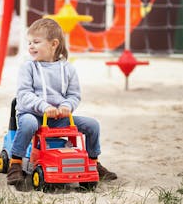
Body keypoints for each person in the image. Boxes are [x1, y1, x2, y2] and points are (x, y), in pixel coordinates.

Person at [7, 18, 117, 186]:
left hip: (59, 118)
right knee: (28, 123)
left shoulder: (67, 69)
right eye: (29, 42)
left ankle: (93, 162)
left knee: (92, 125)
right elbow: (24, 94)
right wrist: (44, 107)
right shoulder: (28, 67)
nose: (31, 46)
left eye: (36, 42)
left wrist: (67, 106)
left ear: (53, 44)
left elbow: (74, 94)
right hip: (34, 115)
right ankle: (15, 163)